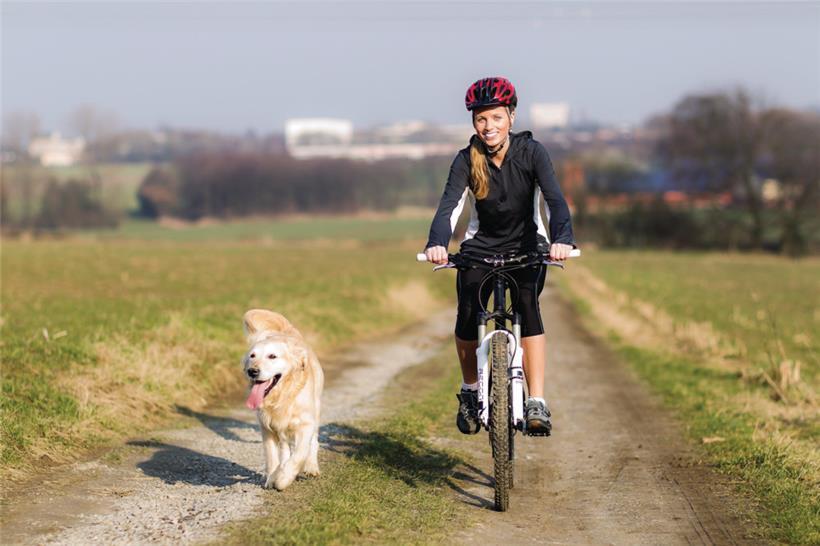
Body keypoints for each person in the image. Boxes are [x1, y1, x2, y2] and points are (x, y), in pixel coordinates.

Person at [423, 76, 575, 436]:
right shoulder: (466, 160)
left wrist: (562, 238)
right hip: (481, 248)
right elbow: (449, 207)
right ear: (474, 123)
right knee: (467, 312)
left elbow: (554, 200)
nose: (488, 126)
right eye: (480, 119)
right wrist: (437, 242)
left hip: (527, 247)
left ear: (511, 117)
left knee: (528, 306)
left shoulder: (533, 153)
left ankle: (536, 400)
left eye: (495, 118)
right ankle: (471, 391)